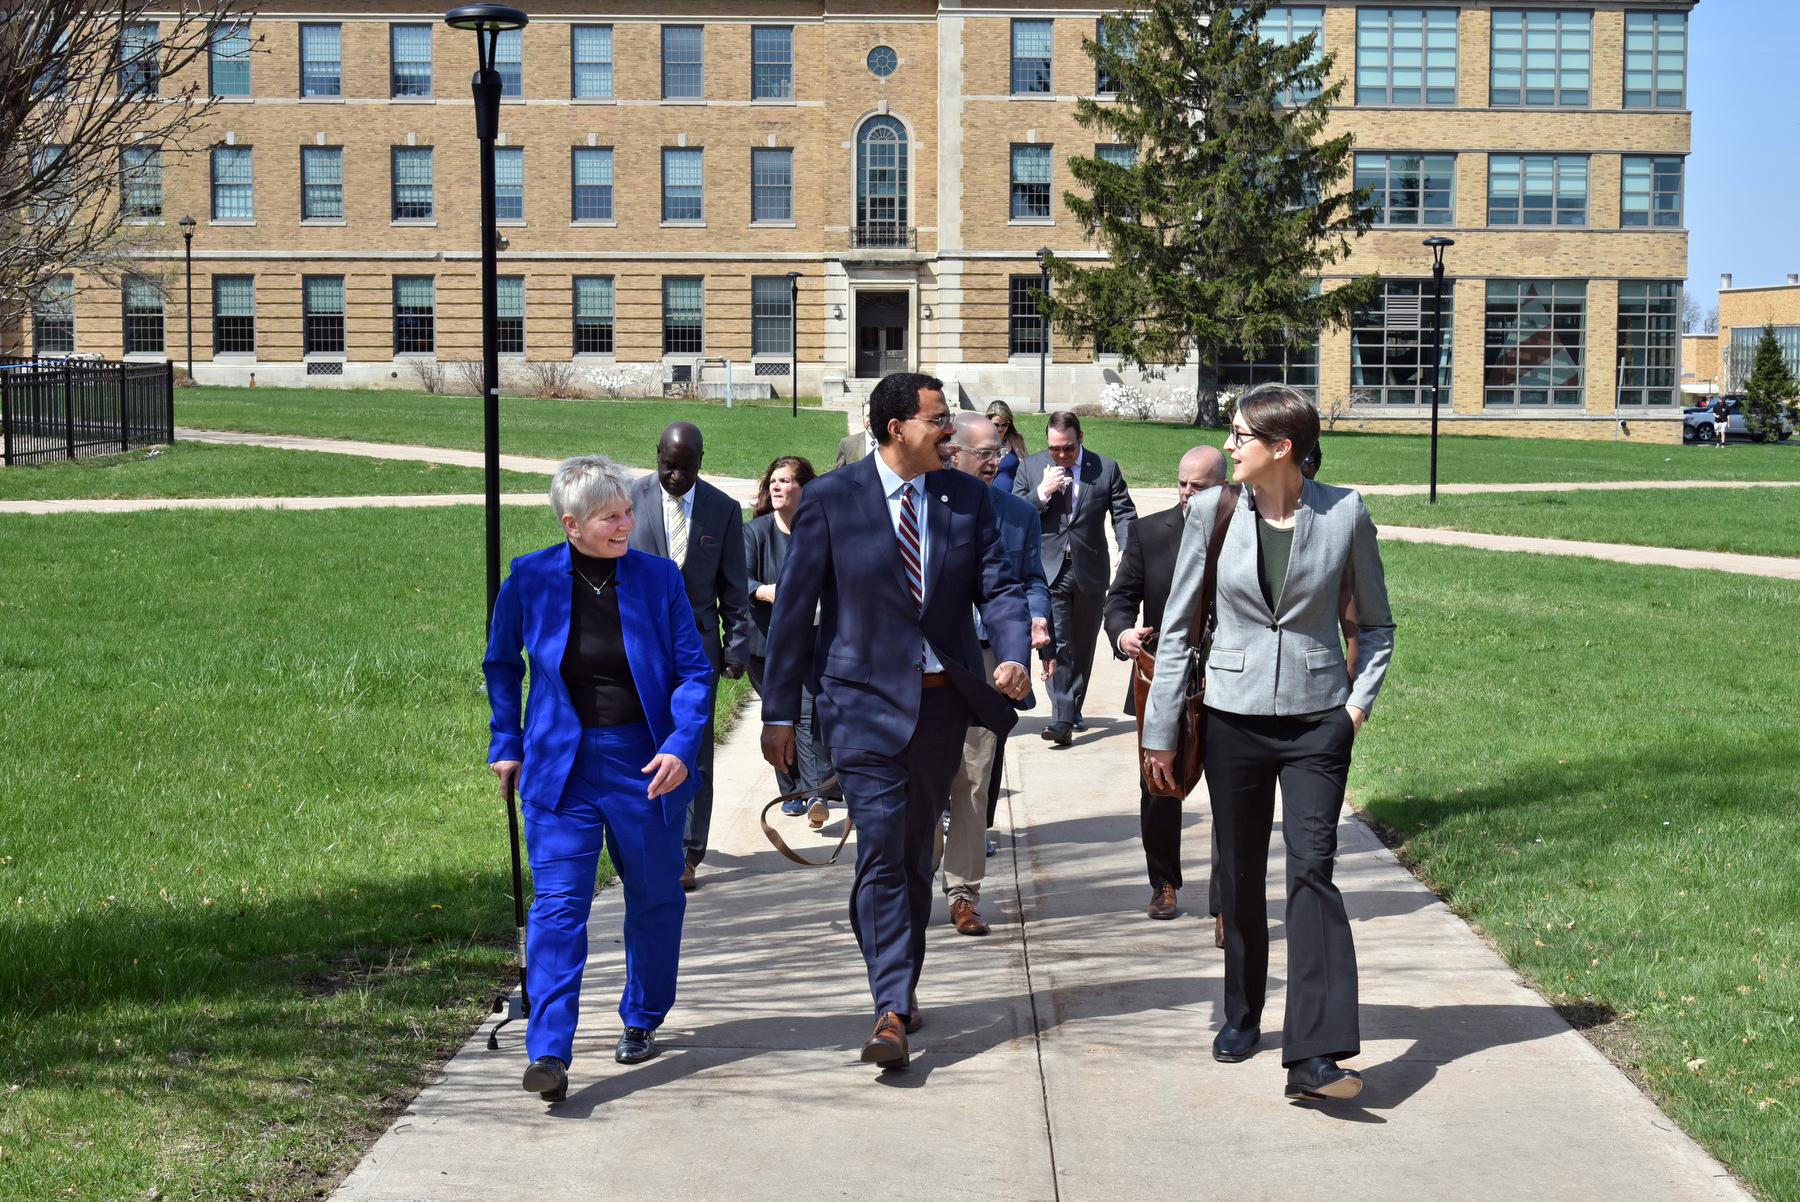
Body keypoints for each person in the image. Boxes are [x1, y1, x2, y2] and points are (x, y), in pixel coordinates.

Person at [759, 372, 1031, 1069]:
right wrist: (780, 711)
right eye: (937, 420)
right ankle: (890, 1006)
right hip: (860, 705)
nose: (951, 431)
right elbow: (792, 614)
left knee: (912, 857)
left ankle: (894, 980)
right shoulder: (830, 502)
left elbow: (997, 585)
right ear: (894, 429)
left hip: (941, 705)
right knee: (882, 850)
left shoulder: (965, 497)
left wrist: (1009, 651)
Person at [1143, 384, 1394, 1103]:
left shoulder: (1343, 513)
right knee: (1240, 868)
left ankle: (1314, 1054)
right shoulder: (1213, 512)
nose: (1229, 447)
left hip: (1319, 722)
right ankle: (1243, 1011)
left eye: (1240, 436)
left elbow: (1375, 624)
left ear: (1281, 447)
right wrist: (1160, 732)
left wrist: (1355, 707)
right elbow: (1180, 625)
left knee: (1313, 870)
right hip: (1232, 717)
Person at [485, 455, 713, 1103]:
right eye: (611, 517)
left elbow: (693, 673)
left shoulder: (658, 579)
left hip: (646, 766)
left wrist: (678, 744)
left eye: (627, 512)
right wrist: (507, 741)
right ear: (572, 524)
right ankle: (550, 1051)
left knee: (655, 898)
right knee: (558, 909)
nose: (626, 523)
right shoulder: (529, 579)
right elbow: (502, 664)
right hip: (560, 768)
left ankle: (641, 1015)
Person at [940, 412, 1057, 936]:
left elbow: (1031, 579)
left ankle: (963, 892)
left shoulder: (1018, 514)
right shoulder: (926, 505)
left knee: (973, 777)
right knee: (923, 777)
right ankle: (914, 883)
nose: (995, 461)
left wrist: (1035, 619)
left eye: (999, 453)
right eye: (984, 452)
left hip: (989, 660)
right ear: (953, 452)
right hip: (930, 659)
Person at [1104, 446, 1227, 924]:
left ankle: (1225, 905)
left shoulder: (1241, 530)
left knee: (1231, 792)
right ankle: (1164, 884)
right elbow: (1120, 599)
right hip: (1162, 676)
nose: (1186, 494)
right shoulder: (1150, 532)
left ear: (1223, 487)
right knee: (1158, 783)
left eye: (1198, 487)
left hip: (1227, 680)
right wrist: (1122, 633)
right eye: (1182, 484)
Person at [628, 421, 750, 890]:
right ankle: (648, 839)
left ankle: (687, 852)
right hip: (637, 647)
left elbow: (734, 588)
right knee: (642, 744)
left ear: (701, 459)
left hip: (696, 651)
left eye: (686, 468)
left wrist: (736, 644)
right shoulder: (629, 500)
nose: (676, 477)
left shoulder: (722, 510)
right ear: (657, 454)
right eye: (668, 466)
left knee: (694, 750)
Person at [1012, 410, 1137, 745]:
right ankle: (1062, 717)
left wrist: (1127, 546)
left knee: (1083, 644)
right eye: (1054, 448)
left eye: (1067, 448)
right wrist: (1042, 493)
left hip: (1090, 568)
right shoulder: (1031, 468)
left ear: (1080, 439)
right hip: (1047, 569)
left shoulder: (1105, 468)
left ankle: (1072, 706)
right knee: (1058, 643)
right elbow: (1013, 510)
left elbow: (1123, 511)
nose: (1061, 455)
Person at [743, 456, 836, 821]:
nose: (776, 487)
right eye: (772, 482)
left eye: (784, 481)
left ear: (804, 487)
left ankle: (816, 794)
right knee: (778, 716)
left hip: (812, 639)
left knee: (806, 712)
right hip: (765, 643)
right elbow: (739, 580)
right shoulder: (755, 533)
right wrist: (766, 592)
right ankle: (792, 789)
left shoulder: (820, 528)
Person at [986, 400, 1028, 493]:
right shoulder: (980, 442)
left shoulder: (1017, 439)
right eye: (996, 425)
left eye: (1004, 424)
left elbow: (1027, 467)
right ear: (987, 420)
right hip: (988, 498)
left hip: (1014, 498)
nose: (1000, 428)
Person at [836, 401, 877, 468]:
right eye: (868, 416)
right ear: (862, 417)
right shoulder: (847, 444)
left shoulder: (893, 444)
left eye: (875, 416)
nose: (871, 420)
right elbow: (839, 476)